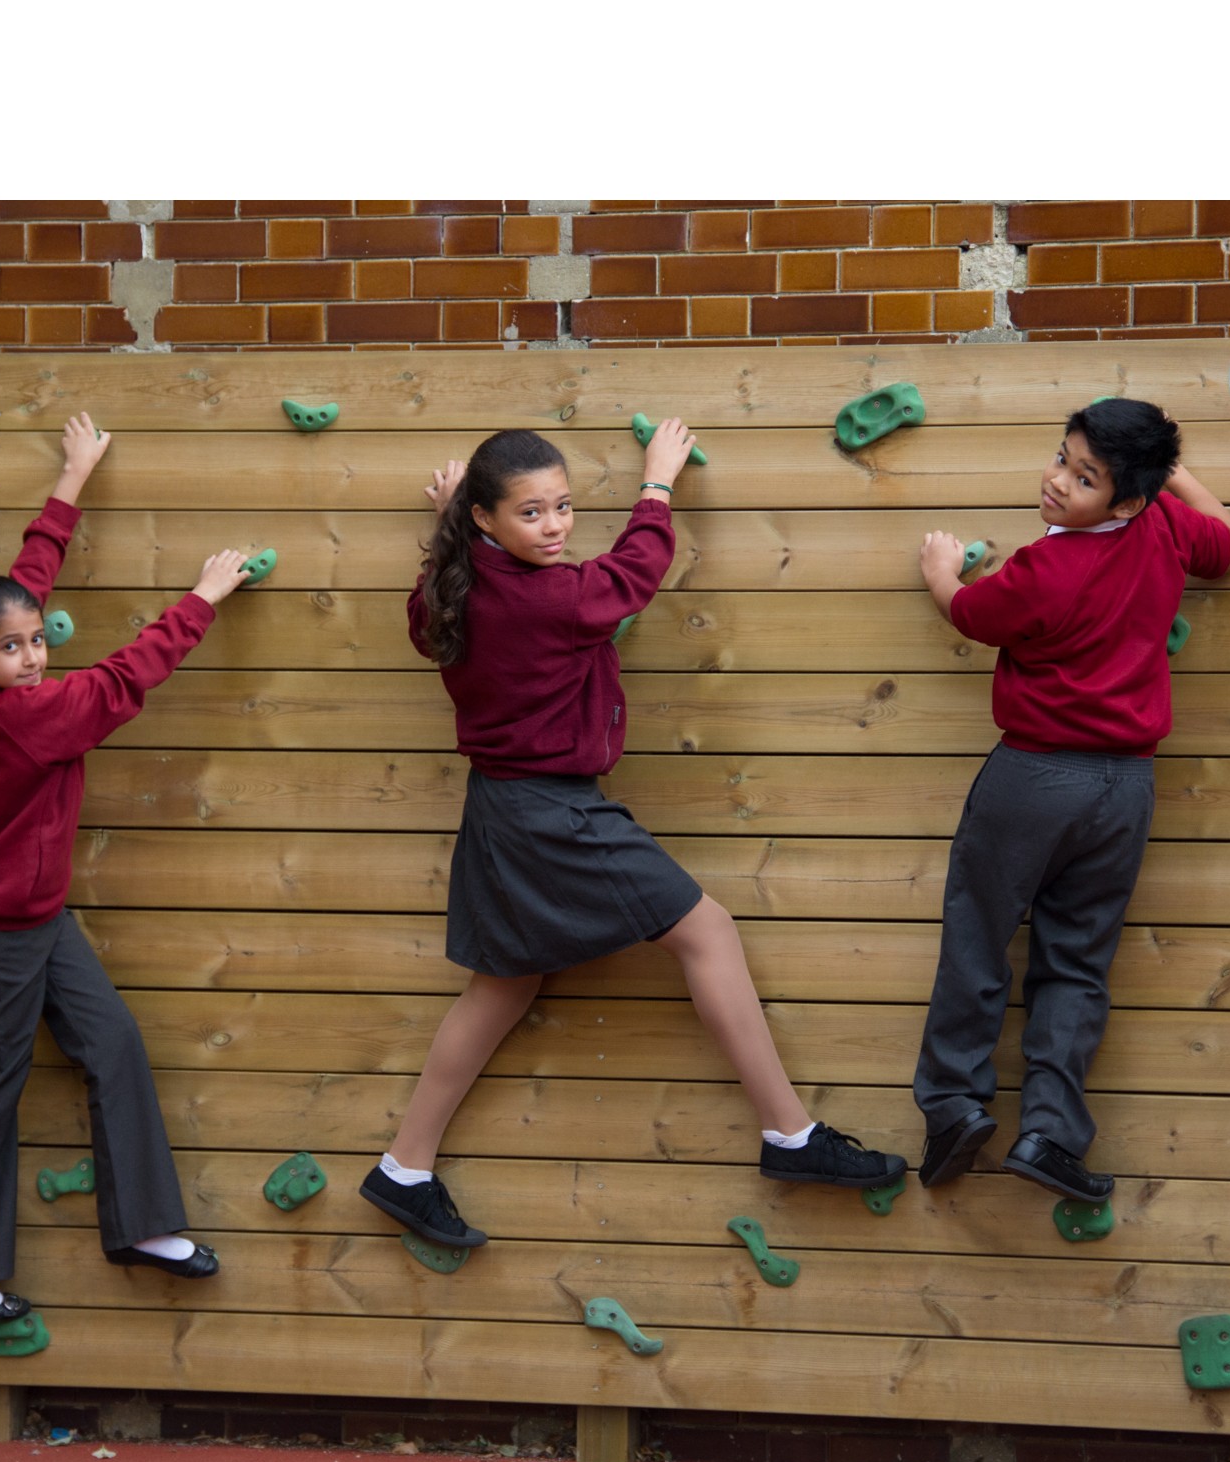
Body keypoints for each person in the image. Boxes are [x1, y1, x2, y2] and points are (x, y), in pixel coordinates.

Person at [362, 423, 908, 1250]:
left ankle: (403, 1167)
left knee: (506, 985)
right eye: (530, 512)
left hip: (502, 809)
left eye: (562, 507)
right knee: (708, 931)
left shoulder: (450, 588)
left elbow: (438, 592)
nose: (553, 526)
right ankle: (790, 1136)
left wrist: (447, 535)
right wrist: (657, 483)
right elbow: (633, 574)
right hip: (554, 812)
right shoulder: (552, 596)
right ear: (485, 520)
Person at [0, 412, 252, 1325]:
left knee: (112, 1044)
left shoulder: (1, 677)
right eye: (10, 649)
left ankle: (141, 1224)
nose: (30, 658)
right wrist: (203, 596)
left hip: (36, 916)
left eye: (35, 642)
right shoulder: (27, 716)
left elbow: (29, 574)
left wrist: (72, 478)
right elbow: (118, 682)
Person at [911, 397, 1230, 1205]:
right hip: (1124, 786)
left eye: (1084, 475)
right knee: (1076, 962)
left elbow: (969, 612)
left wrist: (939, 570)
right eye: (1062, 457)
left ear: (1125, 497)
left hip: (1034, 776)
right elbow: (1228, 548)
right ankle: (1050, 1133)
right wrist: (1165, 477)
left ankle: (954, 1104)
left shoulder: (1040, 570)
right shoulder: (1162, 527)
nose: (1057, 480)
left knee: (978, 938)